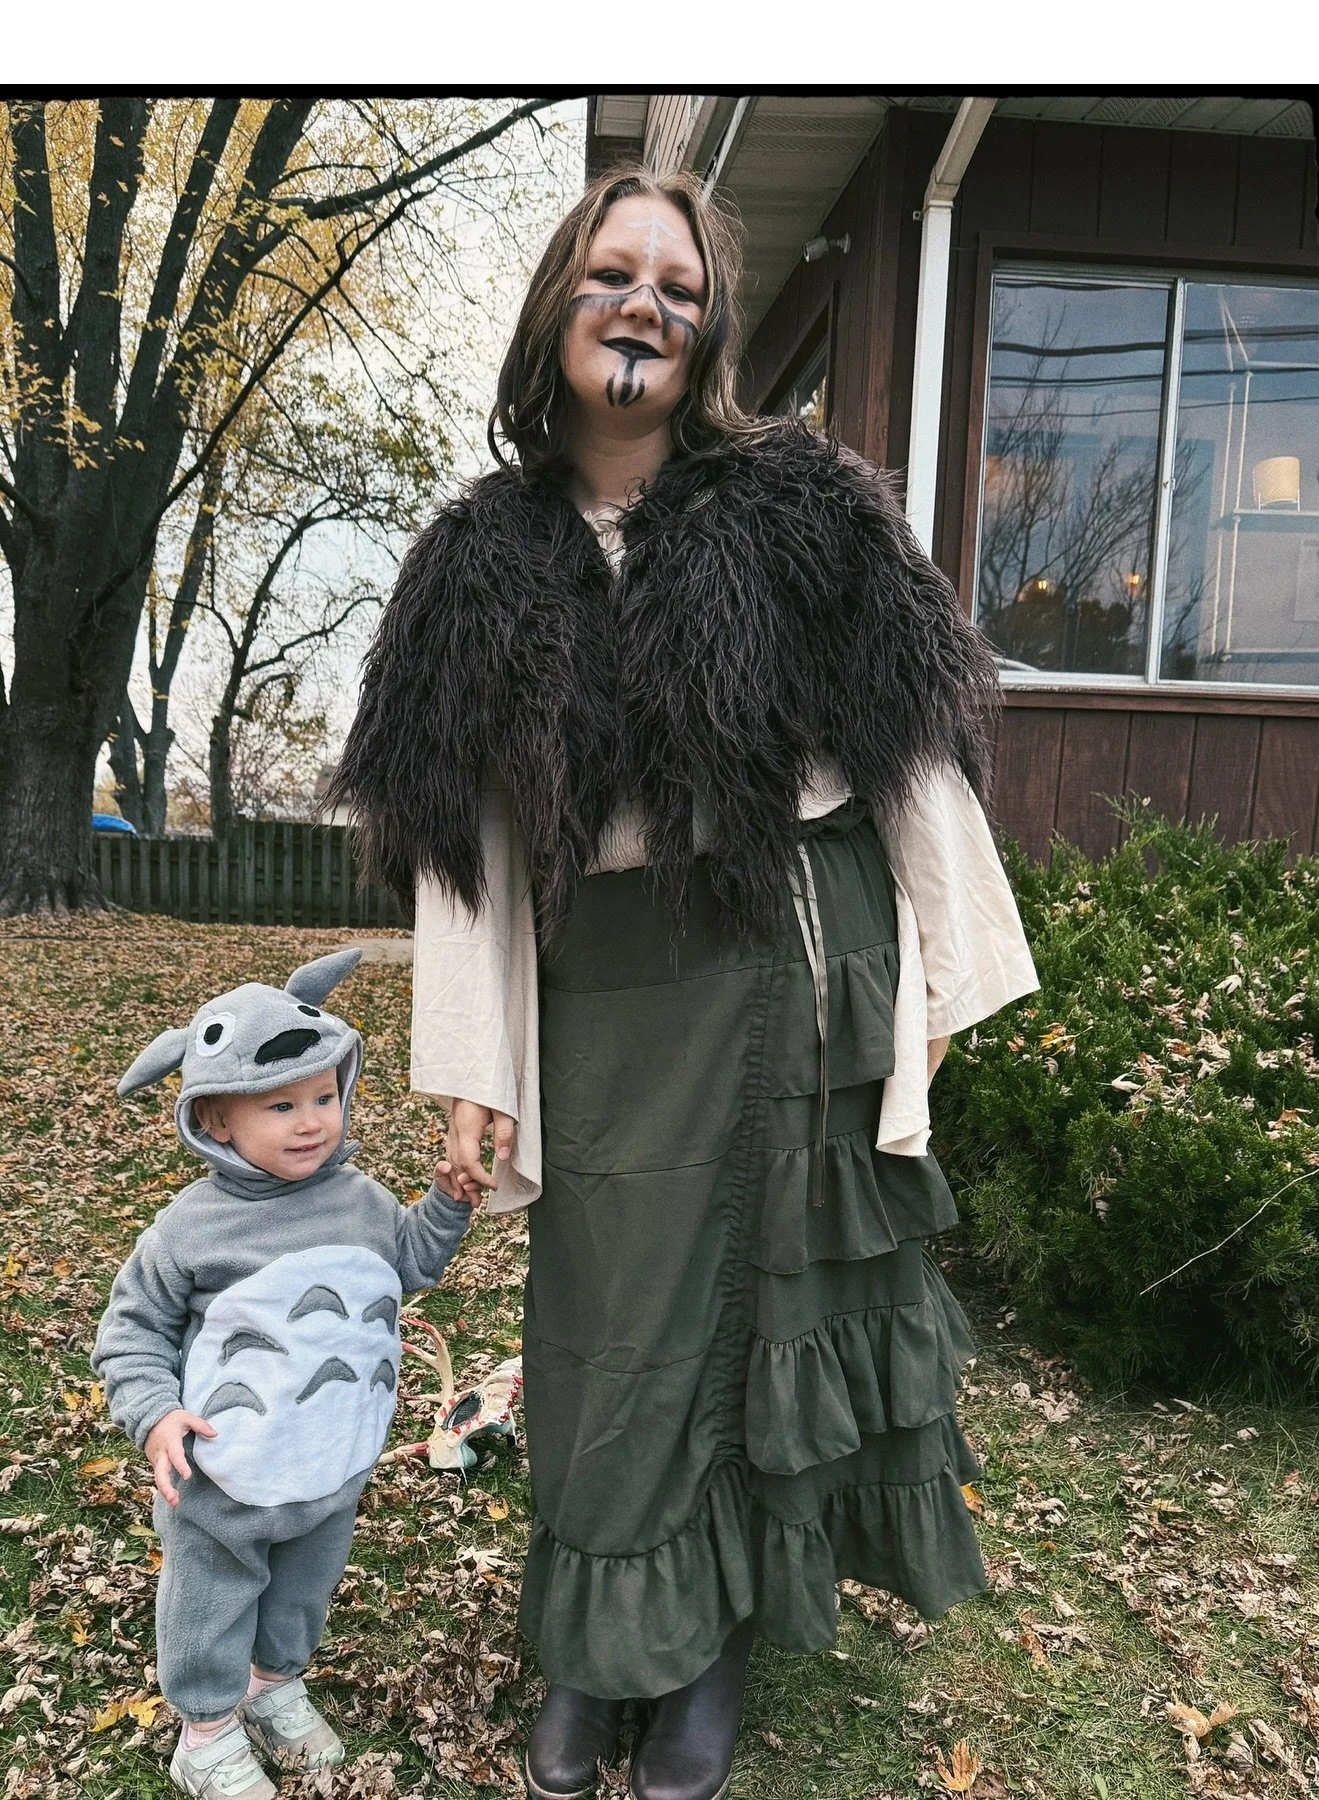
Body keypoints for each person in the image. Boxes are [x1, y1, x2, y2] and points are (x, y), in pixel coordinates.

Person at [332, 166, 1039, 1800]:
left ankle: (709, 1653)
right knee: (604, 1325)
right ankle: (596, 1647)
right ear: (557, 309)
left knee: (748, 1319)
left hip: (787, 948)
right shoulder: (477, 562)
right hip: (607, 987)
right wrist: (468, 1067)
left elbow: (910, 743)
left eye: (676, 282)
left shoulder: (796, 507)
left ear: (707, 322)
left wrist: (937, 968)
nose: (641, 303)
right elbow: (464, 848)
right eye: (610, 274)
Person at [91, 948, 482, 1800]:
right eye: (281, 1105)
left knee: (305, 1581)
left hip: (331, 1455)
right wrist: (155, 1412)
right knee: (214, 1595)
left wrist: (446, 1203)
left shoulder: (361, 1198)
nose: (312, 1122)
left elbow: (408, 1262)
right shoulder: (189, 1231)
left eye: (323, 1097)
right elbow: (129, 1331)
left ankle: (272, 1684)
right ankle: (206, 1728)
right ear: (218, 1121)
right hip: (224, 1470)